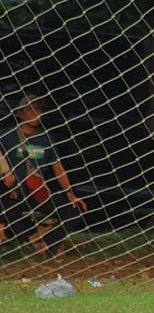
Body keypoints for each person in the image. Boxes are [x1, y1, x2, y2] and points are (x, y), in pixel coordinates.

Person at [0, 95, 88, 255]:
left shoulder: (46, 138)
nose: (35, 113)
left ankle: (44, 243)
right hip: (12, 194)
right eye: (29, 109)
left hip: (37, 193)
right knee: (8, 202)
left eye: (38, 109)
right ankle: (26, 243)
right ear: (19, 113)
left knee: (76, 209)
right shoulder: (7, 136)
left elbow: (57, 166)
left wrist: (69, 193)